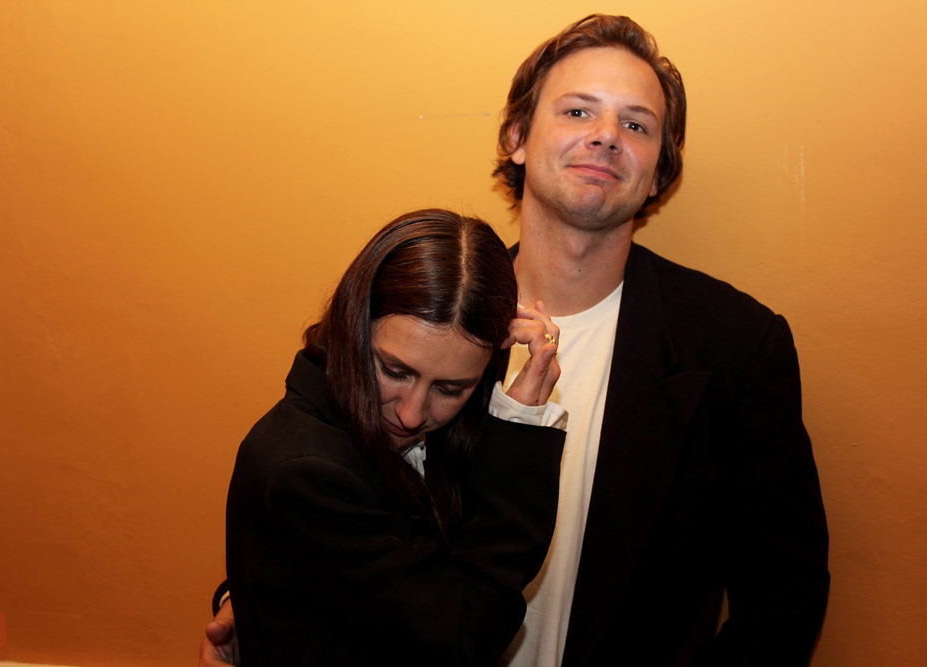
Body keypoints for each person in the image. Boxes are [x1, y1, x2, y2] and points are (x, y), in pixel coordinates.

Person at [203, 14, 830, 667]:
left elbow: (785, 591)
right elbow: (334, 499)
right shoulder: (428, 315)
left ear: (658, 173)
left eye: (636, 125)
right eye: (578, 110)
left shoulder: (736, 346)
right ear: (517, 138)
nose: (606, 135)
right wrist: (254, 602)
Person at [221, 209, 567, 667]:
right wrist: (521, 432)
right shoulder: (305, 471)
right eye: (395, 371)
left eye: (450, 389)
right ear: (354, 326)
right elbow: (463, 636)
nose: (411, 413)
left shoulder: (445, 424)